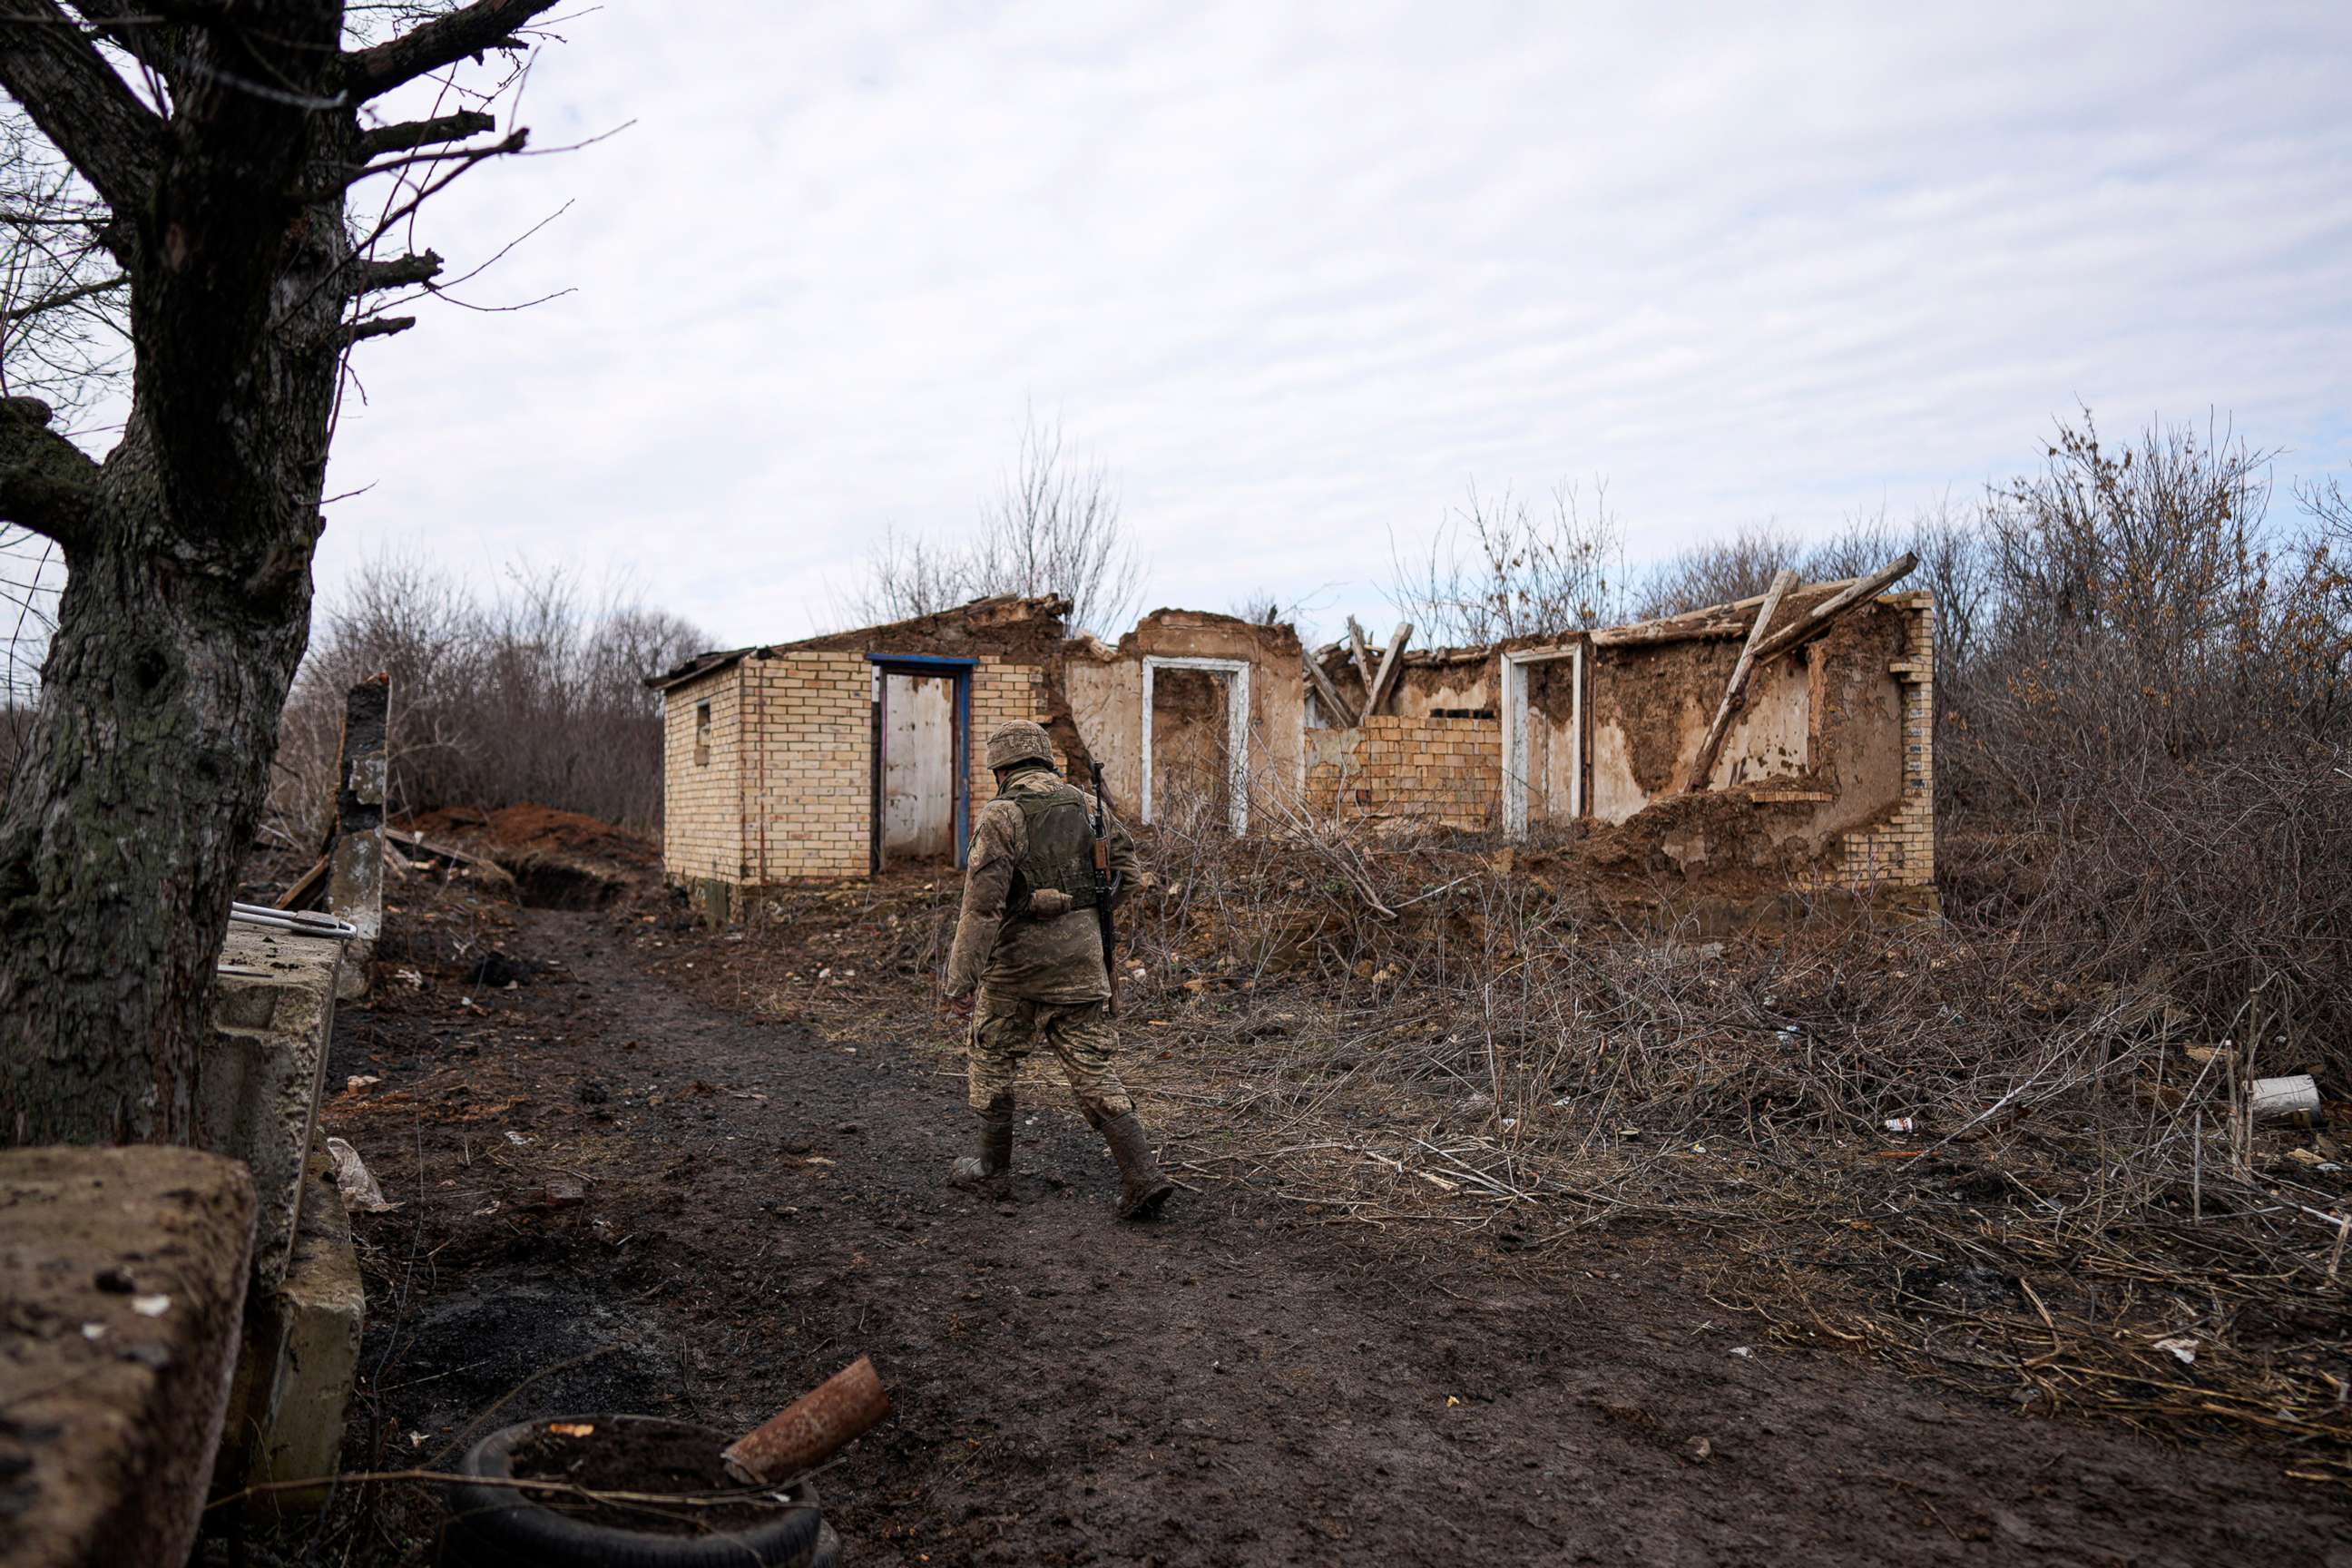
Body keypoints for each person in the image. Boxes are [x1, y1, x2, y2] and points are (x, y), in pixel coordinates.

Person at [942, 719, 1173, 1220]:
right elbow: (1130, 877)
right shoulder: (1091, 808)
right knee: (1093, 1068)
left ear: (1000, 767)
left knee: (992, 1059)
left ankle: (990, 1170)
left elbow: (982, 908)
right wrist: (1084, 912)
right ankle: (1141, 1175)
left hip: (1015, 974)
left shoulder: (1002, 815)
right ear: (1046, 760)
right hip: (1084, 968)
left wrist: (960, 981)